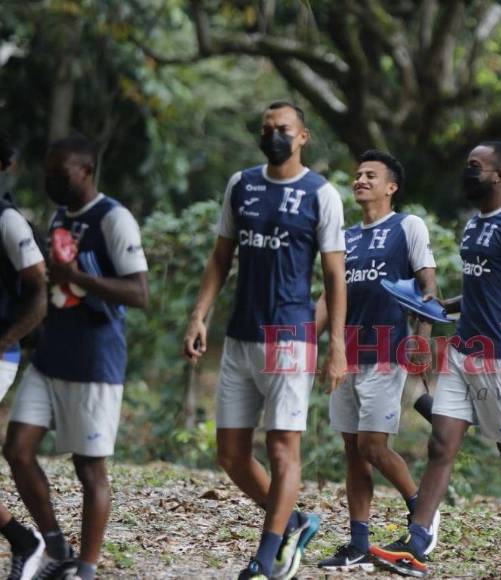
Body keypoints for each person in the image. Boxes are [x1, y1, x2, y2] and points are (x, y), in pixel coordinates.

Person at [370, 142, 501, 577]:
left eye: (476, 167)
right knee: (441, 444)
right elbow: (477, 295)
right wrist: (437, 307)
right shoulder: (474, 227)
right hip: (461, 354)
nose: (467, 173)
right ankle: (417, 543)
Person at [183, 101, 347, 580]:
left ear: (303, 137)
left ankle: (268, 556)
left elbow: (335, 277)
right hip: (240, 334)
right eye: (267, 129)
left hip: (290, 335)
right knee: (231, 454)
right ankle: (295, 523)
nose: (274, 135)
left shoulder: (322, 194)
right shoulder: (242, 185)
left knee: (282, 452)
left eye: (284, 129)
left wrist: (336, 344)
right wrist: (199, 316)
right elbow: (220, 259)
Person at [3, 133, 149, 580]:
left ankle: (84, 567)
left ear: (85, 170)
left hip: (94, 362)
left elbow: (139, 292)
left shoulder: (114, 218)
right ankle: (52, 545)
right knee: (17, 449)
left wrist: (78, 276)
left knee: (89, 470)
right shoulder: (60, 215)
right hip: (50, 359)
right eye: (47, 173)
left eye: (58, 174)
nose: (51, 180)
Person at [315, 150, 440, 572]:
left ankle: (423, 512)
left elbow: (428, 287)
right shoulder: (344, 237)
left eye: (371, 175)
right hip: (346, 357)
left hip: (387, 354)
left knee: (373, 445)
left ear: (391, 187)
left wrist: (422, 341)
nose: (360, 180)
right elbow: (329, 295)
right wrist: (303, 339)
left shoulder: (408, 226)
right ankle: (359, 544)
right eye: (357, 175)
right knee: (353, 451)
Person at [0, 132, 47, 580]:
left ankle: (26, 540)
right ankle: (23, 539)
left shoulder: (9, 221)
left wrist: (3, 342)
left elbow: (39, 292)